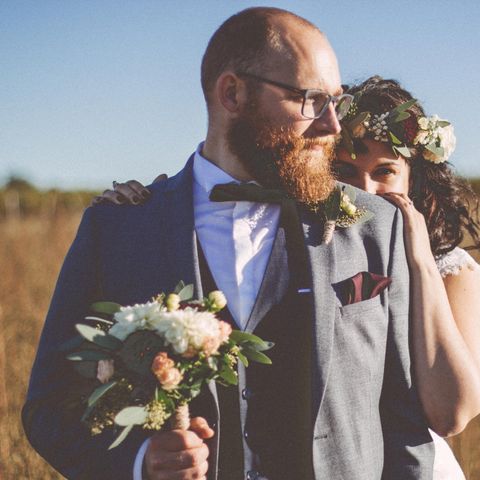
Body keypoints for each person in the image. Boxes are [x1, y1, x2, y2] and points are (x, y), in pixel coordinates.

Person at [23, 7, 437, 480]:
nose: (332, 127)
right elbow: (49, 409)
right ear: (232, 93)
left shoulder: (372, 225)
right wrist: (138, 464)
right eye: (311, 100)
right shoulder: (118, 230)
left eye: (335, 102)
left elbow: (405, 421)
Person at [98, 77, 480, 479]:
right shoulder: (290, 238)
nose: (363, 190)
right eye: (344, 171)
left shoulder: (449, 268)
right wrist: (149, 204)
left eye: (385, 172)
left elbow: (452, 413)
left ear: (414, 177)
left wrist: (420, 259)